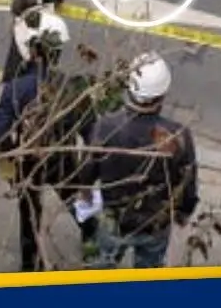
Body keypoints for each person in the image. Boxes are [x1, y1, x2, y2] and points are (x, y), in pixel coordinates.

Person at [0, 9, 98, 272]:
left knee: (29, 218)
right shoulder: (73, 87)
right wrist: (87, 172)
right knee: (81, 206)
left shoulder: (16, 89)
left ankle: (30, 264)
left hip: (28, 164)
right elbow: (93, 134)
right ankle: (92, 244)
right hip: (63, 161)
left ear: (33, 50)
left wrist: (11, 171)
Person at [84, 53, 199, 270]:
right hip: (155, 224)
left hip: (114, 220)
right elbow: (187, 183)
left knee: (102, 267)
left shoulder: (106, 127)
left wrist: (86, 196)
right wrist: (184, 213)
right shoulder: (177, 136)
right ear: (162, 94)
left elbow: (87, 172)